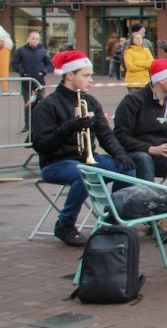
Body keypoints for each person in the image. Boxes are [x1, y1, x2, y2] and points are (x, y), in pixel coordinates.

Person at [32, 51, 135, 246]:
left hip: (86, 159)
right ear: (70, 75)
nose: (91, 80)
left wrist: (120, 153)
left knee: (128, 168)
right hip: (56, 163)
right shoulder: (47, 106)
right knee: (86, 174)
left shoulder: (90, 102)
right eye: (86, 75)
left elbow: (105, 135)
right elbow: (41, 145)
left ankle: (113, 217)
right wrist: (68, 128)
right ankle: (65, 224)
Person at [114, 58, 167, 192]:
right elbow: (120, 134)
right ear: (161, 80)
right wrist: (151, 148)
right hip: (139, 153)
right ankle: (149, 202)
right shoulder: (133, 100)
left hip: (164, 156)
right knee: (143, 159)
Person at [12, 31, 53, 133]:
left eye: (37, 39)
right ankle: (27, 126)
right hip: (26, 82)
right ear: (28, 39)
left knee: (40, 104)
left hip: (39, 83)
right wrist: (23, 72)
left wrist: (43, 71)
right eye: (33, 38)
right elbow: (15, 63)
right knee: (28, 104)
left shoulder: (43, 51)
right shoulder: (21, 50)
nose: (35, 40)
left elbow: (49, 65)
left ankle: (40, 126)